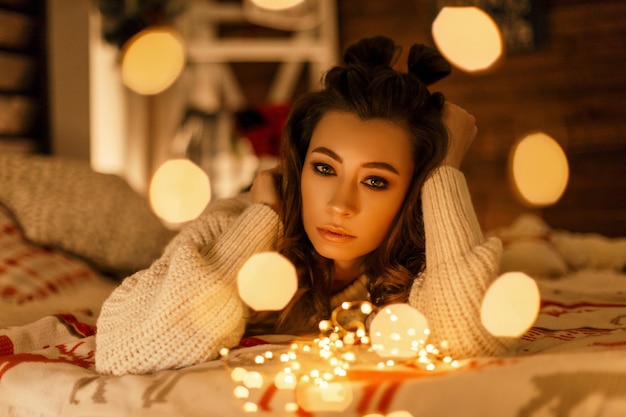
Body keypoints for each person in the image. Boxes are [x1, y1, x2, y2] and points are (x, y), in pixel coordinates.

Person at [95, 36, 514, 375]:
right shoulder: (233, 224)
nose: (340, 205)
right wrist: (261, 221)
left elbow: (467, 342)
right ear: (299, 166)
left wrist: (443, 168)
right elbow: (119, 348)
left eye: (374, 181)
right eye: (324, 169)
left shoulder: (427, 255)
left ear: (415, 191)